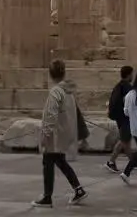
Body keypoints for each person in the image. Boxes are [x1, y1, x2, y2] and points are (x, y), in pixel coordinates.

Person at [31, 60, 88, 207]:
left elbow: (51, 115)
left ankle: (47, 197)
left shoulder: (55, 92)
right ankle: (78, 189)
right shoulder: (68, 92)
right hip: (64, 133)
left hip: (54, 136)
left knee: (48, 162)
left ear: (50, 74)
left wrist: (45, 135)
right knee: (60, 161)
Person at [105, 65, 135, 174]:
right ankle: (111, 161)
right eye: (132, 74)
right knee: (124, 139)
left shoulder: (118, 85)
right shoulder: (127, 87)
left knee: (126, 139)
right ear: (128, 74)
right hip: (125, 116)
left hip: (119, 116)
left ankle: (132, 161)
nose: (133, 76)